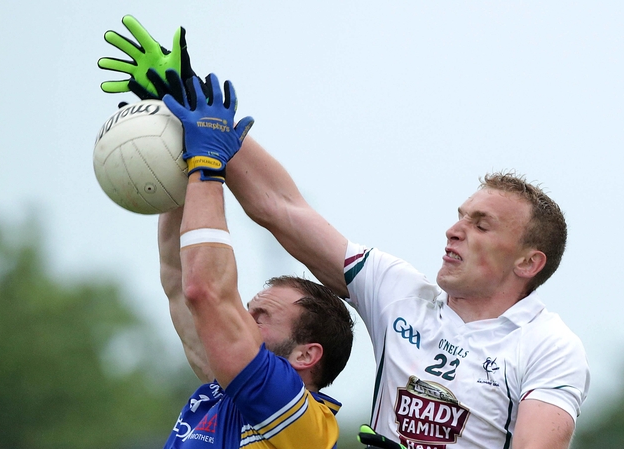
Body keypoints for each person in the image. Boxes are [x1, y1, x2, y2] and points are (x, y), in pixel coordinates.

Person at [99, 16, 590, 449]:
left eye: (480, 224)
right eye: (460, 215)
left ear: (529, 262)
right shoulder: (400, 291)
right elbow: (282, 209)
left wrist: (206, 157)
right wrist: (192, 105)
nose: (454, 230)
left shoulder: (548, 345)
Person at [145, 69, 354, 449]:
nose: (242, 317)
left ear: (305, 355)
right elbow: (179, 276)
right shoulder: (223, 388)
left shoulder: (299, 419)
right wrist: (176, 144)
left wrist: (206, 165)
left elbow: (204, 291)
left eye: (262, 317)